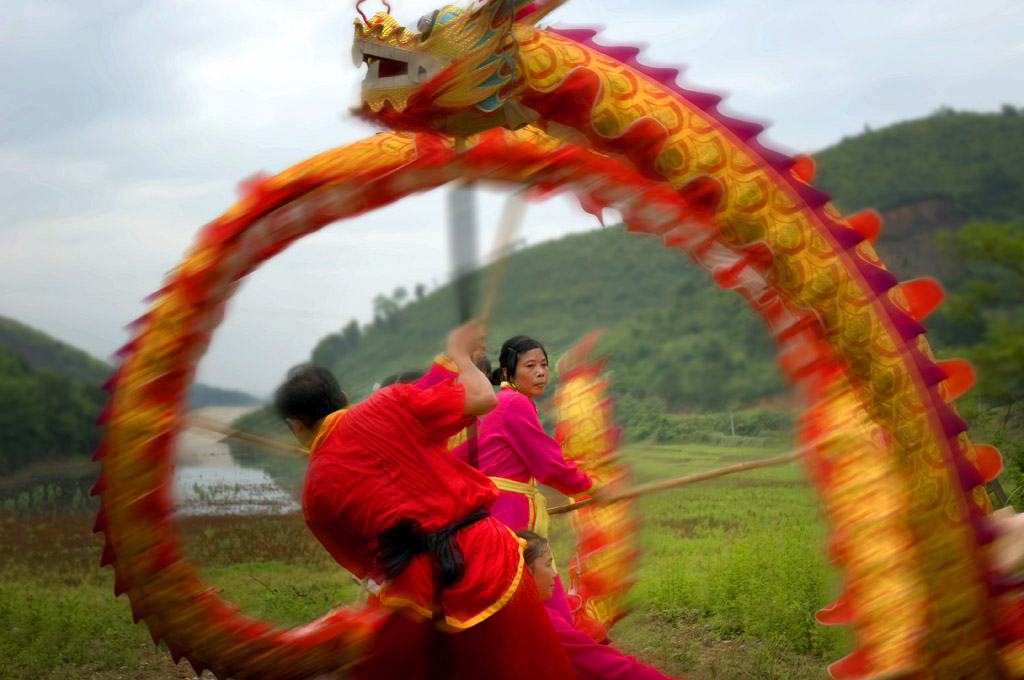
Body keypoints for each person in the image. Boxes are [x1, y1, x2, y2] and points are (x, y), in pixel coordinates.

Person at [275, 321, 577, 680]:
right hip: (490, 555)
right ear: (342, 399)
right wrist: (463, 359)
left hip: (418, 596)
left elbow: (372, 569)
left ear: (295, 425)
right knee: (536, 666)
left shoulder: (313, 495)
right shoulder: (385, 404)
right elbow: (483, 398)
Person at [450, 335, 593, 623]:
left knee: (526, 596)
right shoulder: (514, 403)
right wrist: (592, 486)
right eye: (530, 365)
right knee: (540, 598)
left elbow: (458, 458)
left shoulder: (497, 404)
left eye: (544, 364)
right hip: (512, 515)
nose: (541, 372)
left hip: (496, 512)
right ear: (507, 373)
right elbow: (549, 465)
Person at [517, 530, 677, 680]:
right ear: (526, 573)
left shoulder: (507, 611)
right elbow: (610, 667)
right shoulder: (544, 621)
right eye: (547, 565)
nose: (554, 575)